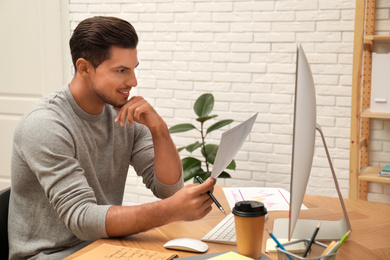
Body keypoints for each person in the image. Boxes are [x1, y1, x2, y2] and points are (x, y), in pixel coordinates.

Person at [8, 16, 216, 259]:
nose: (133, 81)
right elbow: (82, 218)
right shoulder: (45, 124)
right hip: (52, 254)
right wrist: (170, 211)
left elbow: (168, 189)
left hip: (105, 246)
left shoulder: (124, 115)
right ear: (84, 67)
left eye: (133, 69)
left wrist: (159, 129)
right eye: (121, 71)